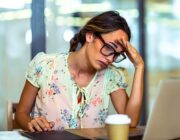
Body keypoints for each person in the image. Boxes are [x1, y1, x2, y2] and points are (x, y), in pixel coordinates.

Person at [15, 10, 144, 132]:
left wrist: (139, 66)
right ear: (90, 36)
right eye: (109, 48)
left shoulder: (112, 76)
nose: (110, 58)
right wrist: (30, 123)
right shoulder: (44, 65)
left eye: (117, 55)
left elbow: (131, 122)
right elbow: (21, 113)